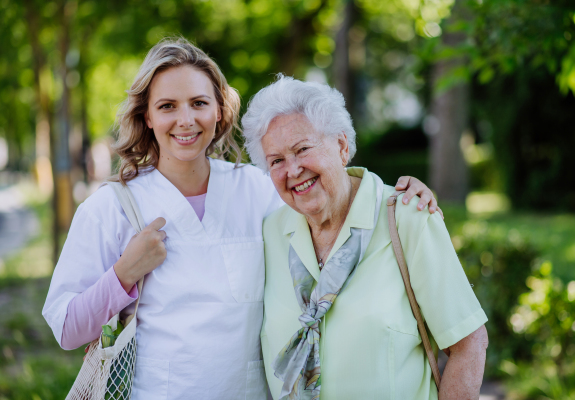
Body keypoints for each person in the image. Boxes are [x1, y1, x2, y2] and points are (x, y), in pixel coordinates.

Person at [42, 38, 440, 399]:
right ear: (147, 116)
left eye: (199, 103)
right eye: (167, 106)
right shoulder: (111, 207)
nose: (186, 120)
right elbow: (67, 330)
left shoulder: (260, 189)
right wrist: (123, 274)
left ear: (219, 111)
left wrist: (397, 196)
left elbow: (332, 205)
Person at [242, 75, 489, 400]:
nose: (292, 170)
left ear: (342, 147)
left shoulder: (407, 218)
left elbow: (468, 344)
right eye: (276, 161)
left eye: (302, 149)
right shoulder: (269, 233)